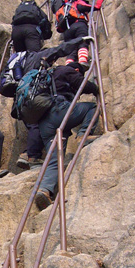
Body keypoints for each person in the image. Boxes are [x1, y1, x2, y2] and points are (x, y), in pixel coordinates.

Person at [14, 38, 94, 171]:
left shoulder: (29, 65)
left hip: (25, 98)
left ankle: (29, 154)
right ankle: (31, 156)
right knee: (37, 124)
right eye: (52, 60)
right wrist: (81, 40)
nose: (52, 62)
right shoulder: (41, 60)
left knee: (38, 125)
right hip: (36, 98)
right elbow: (60, 49)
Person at [34, 55, 100, 211]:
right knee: (92, 107)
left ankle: (45, 190)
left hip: (44, 123)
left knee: (55, 159)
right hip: (59, 111)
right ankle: (84, 134)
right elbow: (82, 84)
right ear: (77, 70)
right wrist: (96, 88)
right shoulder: (67, 70)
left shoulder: (48, 75)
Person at [56, 0, 106, 65]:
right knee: (82, 38)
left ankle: (70, 65)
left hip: (73, 11)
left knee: (71, 44)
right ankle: (82, 60)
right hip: (68, 5)